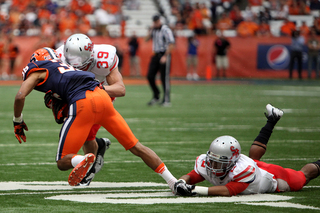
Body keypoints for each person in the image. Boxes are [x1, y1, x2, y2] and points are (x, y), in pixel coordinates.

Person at [13, 47, 178, 191]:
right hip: (103, 97)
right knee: (137, 147)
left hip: (82, 103)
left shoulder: (36, 69)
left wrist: (17, 120)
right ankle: (173, 182)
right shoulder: (66, 66)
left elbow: (20, 96)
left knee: (63, 161)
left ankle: (84, 158)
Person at [174, 104, 320, 196]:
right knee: (254, 158)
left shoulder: (243, 170)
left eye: (219, 162)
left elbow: (228, 190)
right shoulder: (211, 164)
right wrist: (181, 181)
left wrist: (194, 190)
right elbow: (192, 176)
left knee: (303, 177)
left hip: (273, 177)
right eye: (212, 160)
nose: (212, 166)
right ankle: (272, 119)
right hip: (256, 167)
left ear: (231, 162)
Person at [55, 33, 125, 185]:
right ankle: (98, 147)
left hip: (100, 96)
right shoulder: (59, 55)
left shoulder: (105, 58)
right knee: (78, 133)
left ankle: (89, 169)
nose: (78, 67)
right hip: (76, 96)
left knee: (87, 132)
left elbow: (120, 89)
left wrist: (95, 89)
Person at [145, 15, 175, 107]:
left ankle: (166, 100)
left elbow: (171, 43)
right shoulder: (154, 29)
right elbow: (146, 39)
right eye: (154, 22)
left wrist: (165, 56)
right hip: (155, 54)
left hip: (164, 54)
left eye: (157, 21)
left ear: (160, 21)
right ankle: (156, 95)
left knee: (164, 78)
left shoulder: (166, 30)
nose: (156, 23)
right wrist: (150, 30)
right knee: (150, 76)